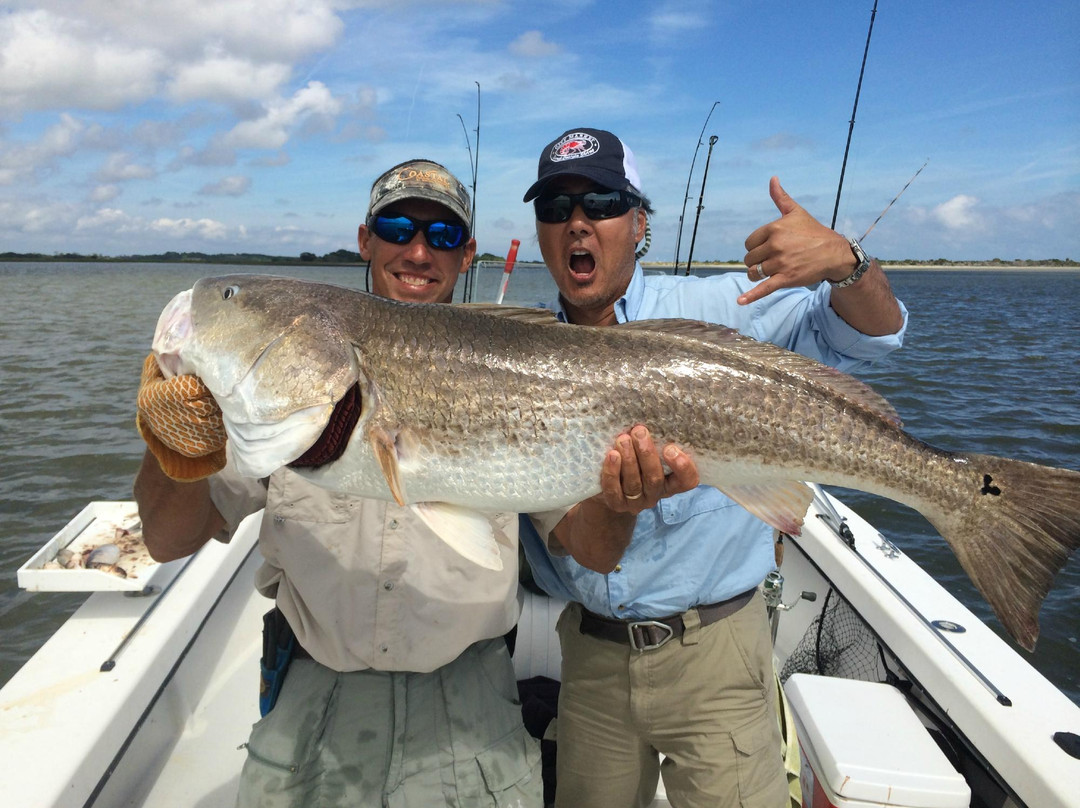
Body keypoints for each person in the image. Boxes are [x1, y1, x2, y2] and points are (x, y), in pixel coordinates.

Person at [133, 159, 544, 808]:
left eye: (440, 237)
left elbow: (591, 550)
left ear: (467, 256)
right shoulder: (265, 399)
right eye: (398, 226)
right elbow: (164, 540)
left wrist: (629, 494)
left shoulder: (521, 366)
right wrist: (177, 453)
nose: (417, 250)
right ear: (365, 239)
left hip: (471, 710)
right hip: (311, 703)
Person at [517, 127, 907, 808]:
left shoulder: (724, 310)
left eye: (602, 202)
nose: (577, 223)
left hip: (718, 649)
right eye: (555, 209)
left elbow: (874, 335)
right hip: (590, 656)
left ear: (638, 223)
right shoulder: (518, 353)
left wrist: (847, 262)